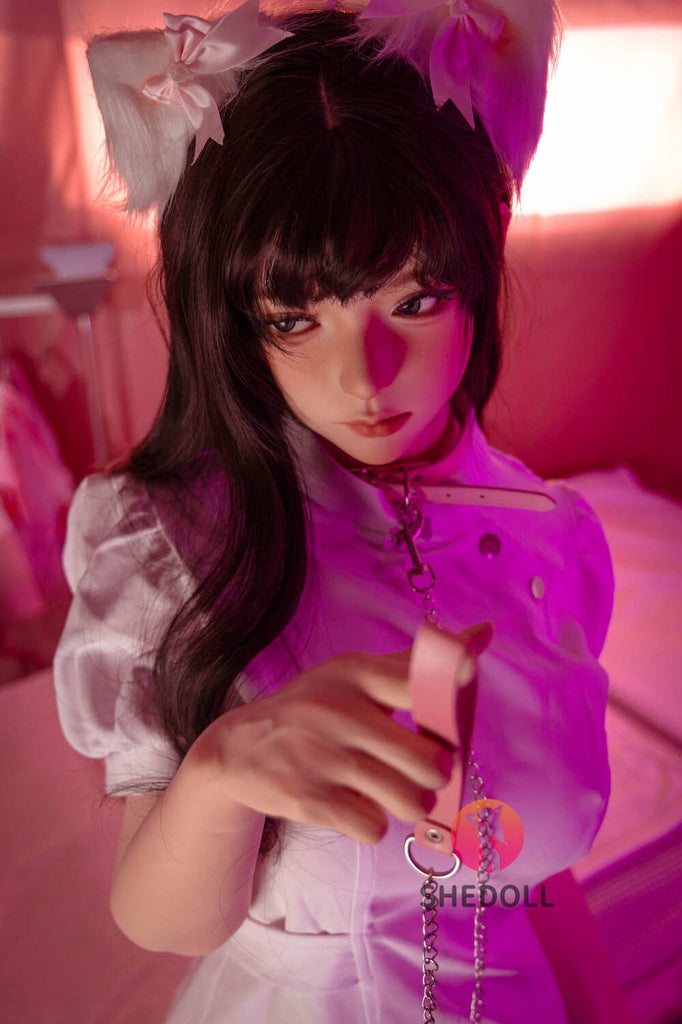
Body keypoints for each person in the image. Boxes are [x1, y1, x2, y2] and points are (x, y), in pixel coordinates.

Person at [53, 2, 634, 1021]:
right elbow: (163, 920)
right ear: (236, 321)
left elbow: (534, 884)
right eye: (294, 318)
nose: (363, 375)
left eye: (414, 301)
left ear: (478, 274)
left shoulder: (555, 538)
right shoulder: (169, 545)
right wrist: (224, 771)